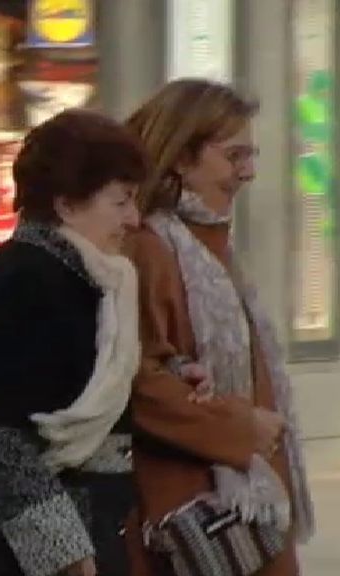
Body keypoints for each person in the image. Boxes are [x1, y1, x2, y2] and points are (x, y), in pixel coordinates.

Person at [0, 109, 147, 576]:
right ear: (66, 204)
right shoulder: (20, 277)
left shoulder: (99, 280)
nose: (134, 219)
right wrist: (65, 552)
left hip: (84, 534)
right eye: (120, 202)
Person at [123, 78, 315, 576]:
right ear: (182, 158)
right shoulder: (149, 248)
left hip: (244, 510)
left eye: (250, 155)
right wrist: (240, 427)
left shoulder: (208, 246)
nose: (248, 172)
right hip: (200, 524)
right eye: (234, 156)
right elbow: (138, 379)